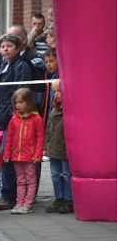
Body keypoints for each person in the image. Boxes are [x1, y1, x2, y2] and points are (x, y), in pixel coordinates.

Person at [0, 33, 36, 211]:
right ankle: (12, 194)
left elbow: (21, 93)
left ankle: (9, 196)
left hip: (15, 121)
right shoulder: (4, 66)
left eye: (10, 46)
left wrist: (15, 117)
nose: (6, 49)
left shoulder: (21, 66)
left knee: (8, 157)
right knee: (6, 157)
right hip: (2, 119)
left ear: (17, 49)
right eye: (3, 46)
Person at [4, 87, 45, 214]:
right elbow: (9, 138)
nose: (18, 105)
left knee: (31, 180)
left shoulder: (37, 119)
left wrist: (38, 154)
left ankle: (28, 203)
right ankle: (19, 202)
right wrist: (7, 154)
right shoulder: (14, 119)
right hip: (17, 155)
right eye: (16, 103)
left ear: (29, 102)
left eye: (21, 102)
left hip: (30, 156)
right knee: (20, 180)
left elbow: (40, 139)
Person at [44, 79, 73, 214]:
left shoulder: (70, 111)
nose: (56, 94)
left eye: (59, 91)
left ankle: (69, 199)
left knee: (66, 174)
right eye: (55, 91)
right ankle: (59, 197)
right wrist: (46, 146)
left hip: (65, 151)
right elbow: (48, 129)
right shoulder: (54, 110)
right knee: (55, 175)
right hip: (54, 150)